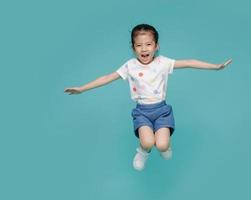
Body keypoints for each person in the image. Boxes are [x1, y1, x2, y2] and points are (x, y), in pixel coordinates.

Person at [64, 24, 232, 171]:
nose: (144, 49)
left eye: (148, 44)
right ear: (133, 47)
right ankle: (142, 152)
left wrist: (215, 67)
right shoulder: (130, 66)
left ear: (156, 46)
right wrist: (82, 88)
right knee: (147, 142)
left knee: (162, 145)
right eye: (139, 45)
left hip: (162, 111)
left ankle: (165, 148)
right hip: (142, 112)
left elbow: (189, 62)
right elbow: (107, 77)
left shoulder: (163, 63)